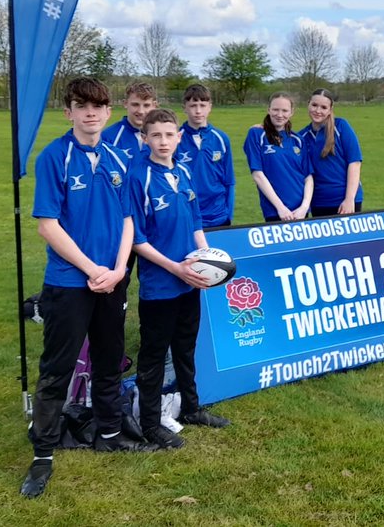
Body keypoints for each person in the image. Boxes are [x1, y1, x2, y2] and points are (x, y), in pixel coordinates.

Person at [20, 77, 151, 500]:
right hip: (68, 283)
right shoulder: (54, 157)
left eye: (98, 106)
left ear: (108, 112)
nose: (90, 113)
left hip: (112, 281)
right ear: (69, 112)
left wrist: (116, 270)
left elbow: (129, 219)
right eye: (81, 105)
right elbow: (47, 225)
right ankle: (43, 452)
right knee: (57, 369)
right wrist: (91, 267)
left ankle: (110, 433)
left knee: (110, 361)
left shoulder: (119, 157)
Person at [127, 108, 231, 451]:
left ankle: (190, 408)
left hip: (190, 281)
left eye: (169, 135)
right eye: (155, 135)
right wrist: (175, 268)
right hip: (160, 285)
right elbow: (137, 240)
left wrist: (207, 260)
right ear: (145, 139)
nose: (163, 141)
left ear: (178, 137)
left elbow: (197, 221)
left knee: (186, 348)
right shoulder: (138, 176)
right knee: (154, 355)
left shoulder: (184, 171)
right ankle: (150, 423)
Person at [244, 92, 312, 222]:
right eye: (275, 109)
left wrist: (304, 207)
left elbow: (308, 177)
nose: (280, 115)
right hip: (275, 211)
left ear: (292, 112)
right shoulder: (256, 134)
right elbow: (257, 174)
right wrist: (280, 207)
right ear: (268, 109)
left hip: (300, 212)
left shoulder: (298, 139)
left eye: (285, 110)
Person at [175, 84, 236, 227]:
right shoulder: (175, 138)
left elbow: (229, 181)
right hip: (188, 216)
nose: (198, 111)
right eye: (193, 105)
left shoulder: (221, 138)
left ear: (210, 107)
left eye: (202, 105)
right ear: (184, 107)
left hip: (218, 215)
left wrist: (229, 214)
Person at [301, 88, 362, 216]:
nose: (318, 111)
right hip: (319, 202)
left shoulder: (341, 126)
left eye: (323, 107)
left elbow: (354, 163)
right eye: (314, 105)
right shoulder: (302, 136)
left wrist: (349, 199)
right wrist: (262, 128)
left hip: (345, 202)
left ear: (330, 109)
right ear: (308, 104)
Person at [101, 81, 158, 160]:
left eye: (146, 105)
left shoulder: (163, 136)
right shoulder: (108, 137)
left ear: (154, 105)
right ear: (125, 103)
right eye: (135, 104)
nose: (141, 111)